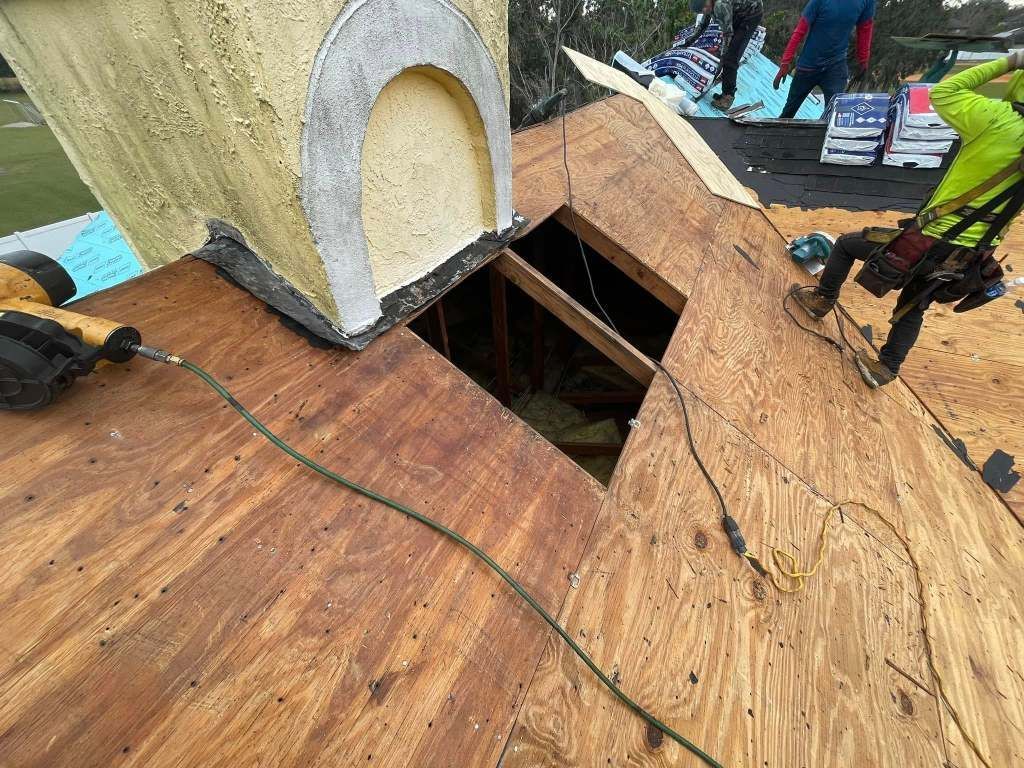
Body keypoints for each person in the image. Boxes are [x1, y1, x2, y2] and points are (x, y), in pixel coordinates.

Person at [794, 52, 1024, 388]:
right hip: (973, 254)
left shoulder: (996, 118)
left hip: (933, 235)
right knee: (915, 303)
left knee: (845, 245)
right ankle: (886, 368)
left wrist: (1010, 62)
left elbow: (943, 93)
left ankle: (821, 300)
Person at [774, 0, 875, 118]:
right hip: (808, 65)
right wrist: (785, 63)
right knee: (788, 113)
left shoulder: (866, 2)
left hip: (836, 66)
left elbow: (865, 29)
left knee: (835, 116)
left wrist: (863, 61)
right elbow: (800, 30)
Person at [681, 0, 764, 112]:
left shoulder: (720, 5)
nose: (705, 11)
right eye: (702, 10)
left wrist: (722, 56)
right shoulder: (708, 5)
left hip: (752, 14)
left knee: (731, 57)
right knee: (726, 54)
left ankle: (728, 96)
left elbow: (728, 34)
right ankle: (724, 90)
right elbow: (702, 26)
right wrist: (688, 42)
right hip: (737, 11)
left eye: (705, 7)